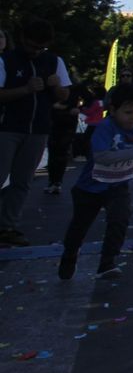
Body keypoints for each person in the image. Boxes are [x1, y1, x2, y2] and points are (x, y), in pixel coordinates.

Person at [58, 83, 133, 280]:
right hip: (89, 187)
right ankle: (70, 253)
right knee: (80, 226)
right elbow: (101, 156)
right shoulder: (105, 127)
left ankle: (107, 263)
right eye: (128, 112)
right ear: (113, 110)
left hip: (118, 185)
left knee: (119, 220)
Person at [0, 18, 71, 247]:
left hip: (38, 129)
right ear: (22, 39)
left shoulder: (54, 61)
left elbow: (65, 96)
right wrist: (25, 89)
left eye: (41, 48)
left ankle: (7, 227)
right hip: (7, 127)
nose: (36, 52)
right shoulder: (6, 60)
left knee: (22, 181)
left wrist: (56, 86)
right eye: (32, 46)